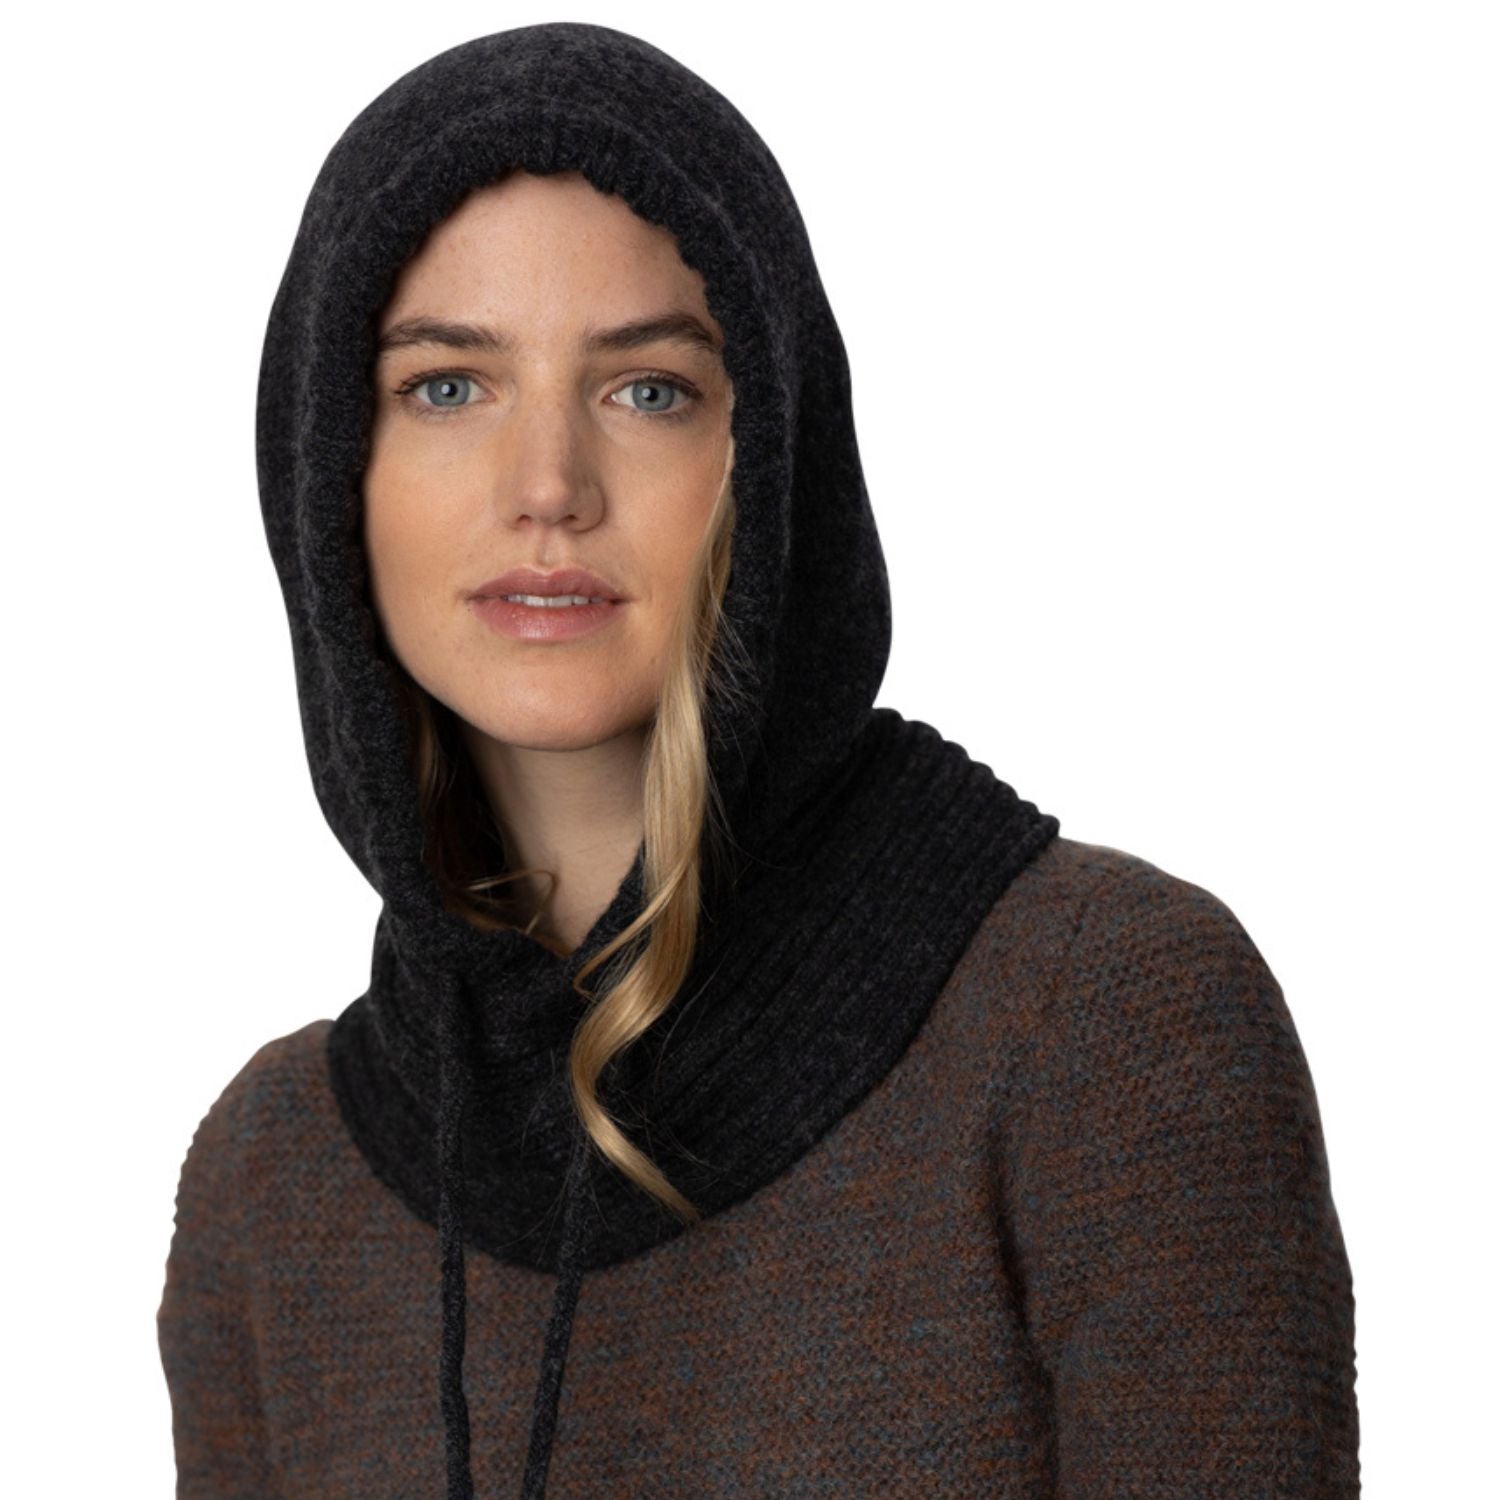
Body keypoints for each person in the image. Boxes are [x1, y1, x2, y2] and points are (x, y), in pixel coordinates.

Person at [156, 21, 1361, 1499]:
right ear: (326, 471)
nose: (549, 487)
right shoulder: (272, 1177)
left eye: (649, 388)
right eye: (448, 387)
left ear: (776, 454)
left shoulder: (1103, 1021)